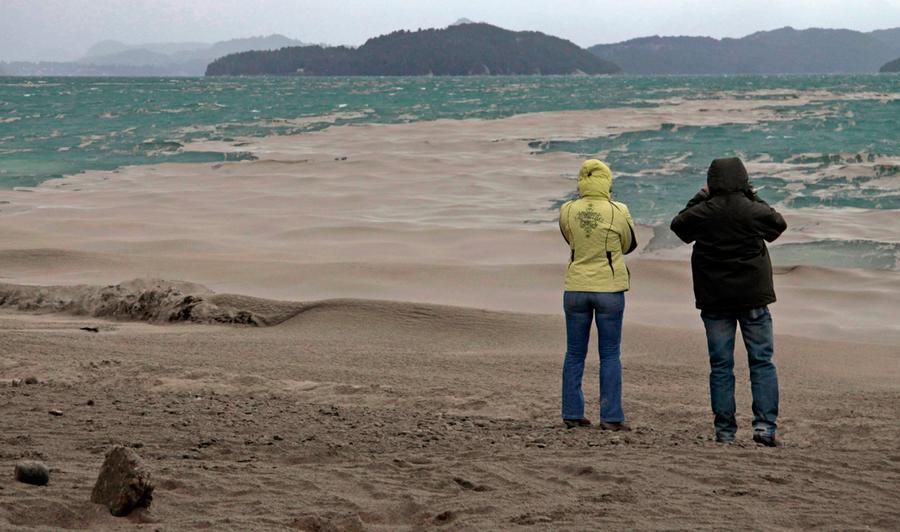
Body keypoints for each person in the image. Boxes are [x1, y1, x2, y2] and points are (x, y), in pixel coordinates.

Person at [670, 157, 787, 446]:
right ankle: (764, 427)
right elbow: (777, 223)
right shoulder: (751, 210)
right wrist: (752, 194)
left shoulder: (703, 212)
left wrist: (700, 196)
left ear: (711, 182)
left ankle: (725, 431)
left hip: (715, 299)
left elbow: (678, 225)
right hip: (753, 296)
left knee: (721, 366)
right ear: (744, 180)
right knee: (762, 361)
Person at [558, 159, 637, 431]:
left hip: (575, 287)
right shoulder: (618, 210)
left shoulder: (567, 209)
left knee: (575, 353)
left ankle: (571, 412)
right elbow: (628, 245)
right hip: (609, 288)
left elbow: (570, 238)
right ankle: (611, 416)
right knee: (610, 354)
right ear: (608, 181)